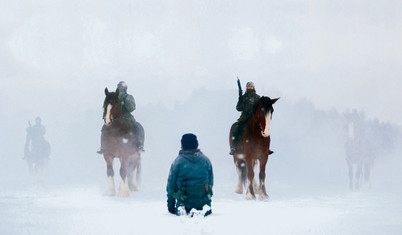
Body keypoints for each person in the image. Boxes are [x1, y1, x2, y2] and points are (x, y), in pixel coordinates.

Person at [166, 133, 213, 217]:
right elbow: (210, 182)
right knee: (204, 203)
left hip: (184, 201)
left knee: (181, 200)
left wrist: (171, 207)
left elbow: (171, 187)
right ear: (196, 146)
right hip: (202, 200)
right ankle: (205, 208)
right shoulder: (206, 160)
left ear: (182, 146)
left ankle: (182, 208)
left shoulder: (178, 162)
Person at [98, 81, 145, 153]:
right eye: (120, 87)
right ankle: (103, 146)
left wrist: (126, 101)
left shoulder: (129, 97)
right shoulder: (113, 96)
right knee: (104, 128)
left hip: (127, 116)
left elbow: (132, 108)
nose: (121, 88)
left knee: (137, 126)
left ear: (126, 88)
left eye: (123, 87)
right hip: (115, 117)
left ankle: (139, 144)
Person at [230, 82, 274, 155]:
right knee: (236, 129)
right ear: (247, 88)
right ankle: (234, 147)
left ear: (254, 88)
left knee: (264, 130)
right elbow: (238, 108)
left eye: (251, 87)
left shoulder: (258, 97)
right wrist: (240, 101)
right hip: (244, 118)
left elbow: (261, 108)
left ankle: (267, 147)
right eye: (249, 87)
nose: (250, 88)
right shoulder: (243, 97)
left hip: (255, 118)